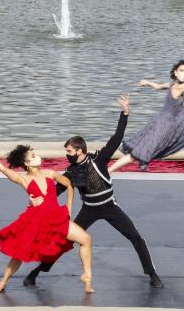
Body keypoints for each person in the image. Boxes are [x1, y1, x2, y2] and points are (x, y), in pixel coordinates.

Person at [23, 96, 164, 289]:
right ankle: (35, 273)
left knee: (136, 237)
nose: (67, 155)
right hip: (89, 210)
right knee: (63, 242)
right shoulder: (72, 171)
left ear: (80, 151)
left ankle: (153, 274)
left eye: (69, 152)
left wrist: (125, 114)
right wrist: (37, 200)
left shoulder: (99, 159)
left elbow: (116, 138)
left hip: (109, 207)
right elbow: (56, 191)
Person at [0, 139, 94, 293]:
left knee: (86, 239)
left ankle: (87, 277)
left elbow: (68, 184)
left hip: (56, 218)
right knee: (19, 253)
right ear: (27, 163)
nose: (37, 157)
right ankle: (3, 281)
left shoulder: (50, 173)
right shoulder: (24, 179)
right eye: (33, 156)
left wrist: (68, 207)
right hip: (35, 221)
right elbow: (3, 169)